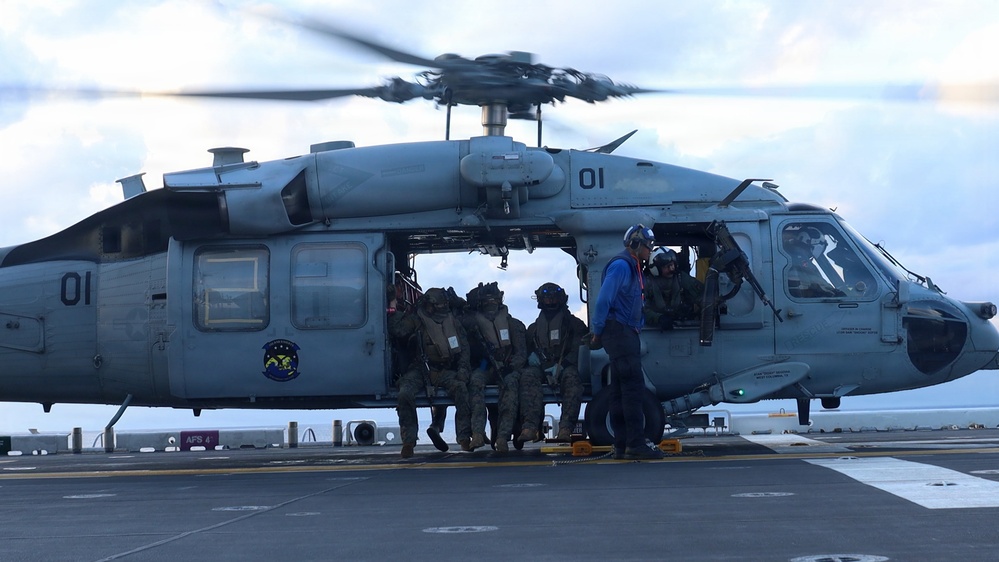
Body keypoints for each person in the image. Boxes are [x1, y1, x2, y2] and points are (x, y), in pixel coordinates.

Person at [590, 224, 665, 460]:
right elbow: (603, 300)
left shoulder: (633, 267)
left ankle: (622, 445)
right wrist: (597, 331)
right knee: (632, 389)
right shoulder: (622, 266)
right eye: (647, 245)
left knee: (620, 391)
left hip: (622, 332)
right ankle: (635, 444)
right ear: (634, 245)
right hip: (620, 333)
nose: (650, 249)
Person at [388, 287, 474, 458]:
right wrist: (393, 308)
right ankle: (408, 441)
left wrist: (463, 370)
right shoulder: (416, 320)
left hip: (445, 369)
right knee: (405, 394)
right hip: (420, 369)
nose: (441, 308)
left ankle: (464, 437)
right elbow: (398, 330)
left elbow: (464, 348)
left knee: (461, 389)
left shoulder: (453, 322)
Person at [522, 282, 588, 443]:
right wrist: (531, 357)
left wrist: (563, 364)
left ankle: (565, 428)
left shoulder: (574, 324)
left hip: (564, 366)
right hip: (541, 367)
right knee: (527, 376)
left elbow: (580, 346)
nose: (550, 302)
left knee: (572, 379)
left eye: (553, 298)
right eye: (546, 298)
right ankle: (530, 427)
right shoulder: (534, 329)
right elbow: (525, 350)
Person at [465, 282, 527, 452]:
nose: (490, 305)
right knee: (475, 382)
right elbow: (468, 352)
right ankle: (477, 433)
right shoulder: (474, 327)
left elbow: (521, 353)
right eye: (486, 302)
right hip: (486, 368)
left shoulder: (513, 325)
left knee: (510, 387)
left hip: (507, 368)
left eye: (493, 301)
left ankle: (503, 437)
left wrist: (511, 366)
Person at [644, 248, 705, 330]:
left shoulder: (681, 278)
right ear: (656, 269)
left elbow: (703, 294)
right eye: (666, 266)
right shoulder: (647, 284)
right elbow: (640, 309)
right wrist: (658, 318)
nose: (671, 269)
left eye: (672, 265)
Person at [783, 226, 844, 298]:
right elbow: (819, 284)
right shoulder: (802, 261)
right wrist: (836, 293)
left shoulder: (790, 256)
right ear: (816, 244)